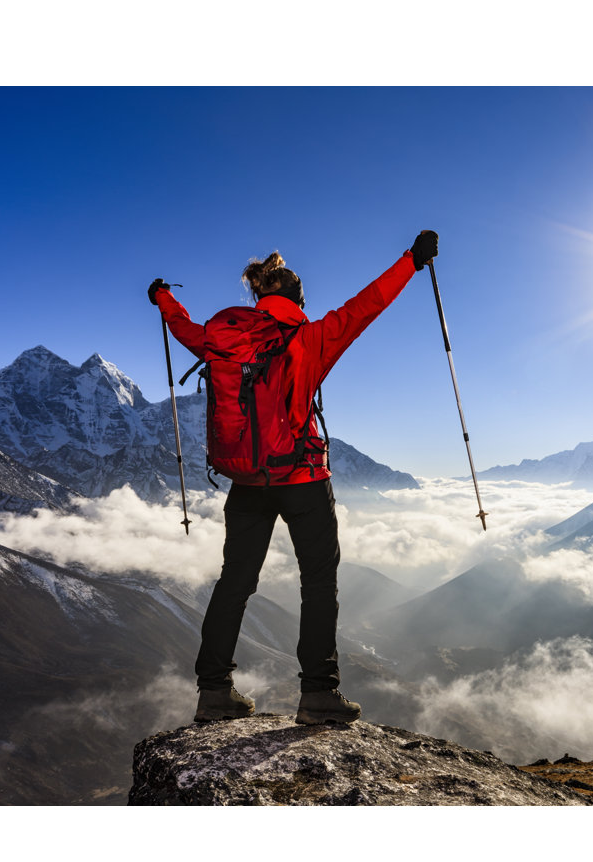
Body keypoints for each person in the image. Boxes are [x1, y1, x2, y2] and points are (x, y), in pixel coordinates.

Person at [148, 230, 438, 726]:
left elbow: (182, 326)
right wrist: (411, 261)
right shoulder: (312, 336)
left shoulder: (221, 336)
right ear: (299, 299)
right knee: (319, 583)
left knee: (235, 583)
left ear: (261, 296)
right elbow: (367, 304)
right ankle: (319, 695)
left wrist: (161, 295)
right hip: (302, 476)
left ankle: (214, 692)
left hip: (246, 480)